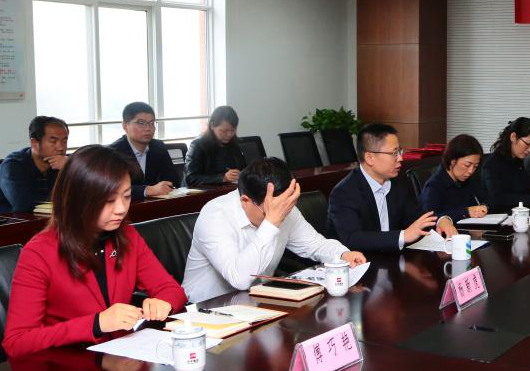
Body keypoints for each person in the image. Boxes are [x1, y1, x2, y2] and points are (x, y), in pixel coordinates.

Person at [2, 145, 188, 359]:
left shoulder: (127, 235)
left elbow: (171, 289)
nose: (121, 209)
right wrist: (96, 324)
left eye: (127, 196)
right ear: (78, 200)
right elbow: (17, 341)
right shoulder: (39, 252)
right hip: (69, 365)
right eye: (109, 201)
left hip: (122, 360)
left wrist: (163, 302)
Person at [182, 158, 367, 303]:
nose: (281, 215)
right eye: (270, 211)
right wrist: (271, 223)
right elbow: (239, 279)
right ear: (245, 201)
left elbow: (314, 244)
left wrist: (342, 254)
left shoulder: (282, 206)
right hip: (206, 309)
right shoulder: (215, 215)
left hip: (257, 301)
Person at [326, 123, 454, 251]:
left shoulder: (396, 184)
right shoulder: (344, 192)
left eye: (399, 151)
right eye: (394, 153)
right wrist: (403, 236)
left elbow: (417, 218)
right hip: (358, 261)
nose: (400, 158)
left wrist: (441, 220)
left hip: (390, 258)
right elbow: (352, 239)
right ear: (370, 158)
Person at [0, 115, 69, 215]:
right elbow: (23, 204)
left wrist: (70, 167)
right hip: (6, 222)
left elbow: (84, 195)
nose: (60, 147)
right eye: (53, 141)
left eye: (64, 141)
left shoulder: (65, 162)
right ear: (34, 143)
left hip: (46, 220)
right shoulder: (13, 165)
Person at [108, 102, 180, 200]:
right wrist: (147, 190)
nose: (148, 128)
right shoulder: (113, 152)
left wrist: (165, 186)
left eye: (151, 123)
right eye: (141, 123)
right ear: (125, 126)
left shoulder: (158, 147)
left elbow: (173, 180)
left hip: (156, 203)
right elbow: (111, 188)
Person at [482, 117, 530, 210]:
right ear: (513, 137)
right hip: (498, 215)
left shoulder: (517, 161)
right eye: (527, 143)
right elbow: (498, 198)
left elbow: (528, 184)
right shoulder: (492, 164)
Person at [419, 134, 490, 222]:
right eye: (467, 165)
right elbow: (429, 219)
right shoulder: (434, 186)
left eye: (475, 166)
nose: (471, 171)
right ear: (452, 161)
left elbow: (485, 200)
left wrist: (484, 207)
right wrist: (466, 212)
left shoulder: (468, 179)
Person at [184, 105, 247, 187]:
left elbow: (243, 168)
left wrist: (241, 174)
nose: (229, 134)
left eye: (233, 130)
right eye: (224, 131)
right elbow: (191, 178)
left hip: (228, 189)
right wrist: (223, 178)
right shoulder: (198, 145)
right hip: (203, 192)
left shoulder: (234, 144)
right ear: (212, 125)